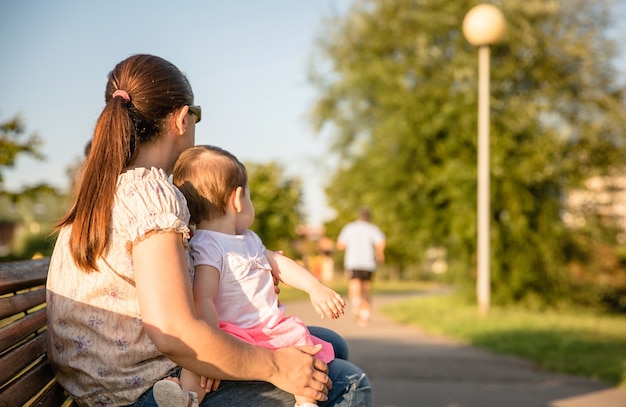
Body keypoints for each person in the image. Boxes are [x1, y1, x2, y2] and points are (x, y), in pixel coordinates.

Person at [45, 54, 371, 407]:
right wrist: (276, 366)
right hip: (140, 391)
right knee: (346, 381)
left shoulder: (105, 186)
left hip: (102, 382)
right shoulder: (151, 195)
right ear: (183, 119)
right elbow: (174, 332)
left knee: (328, 343)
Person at [153, 145, 347, 407]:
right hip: (232, 337)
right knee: (197, 368)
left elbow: (280, 264)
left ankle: (305, 401)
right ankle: (185, 399)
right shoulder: (208, 245)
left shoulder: (250, 240)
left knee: (301, 344)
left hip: (269, 331)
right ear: (238, 198)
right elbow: (204, 299)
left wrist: (314, 287)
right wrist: (212, 347)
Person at [336, 207, 386, 327]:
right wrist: (379, 253)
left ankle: (356, 301)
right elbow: (381, 242)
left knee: (354, 284)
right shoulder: (373, 229)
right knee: (366, 288)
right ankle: (365, 315)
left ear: (359, 216)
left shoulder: (349, 227)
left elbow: (340, 245)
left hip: (353, 262)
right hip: (369, 263)